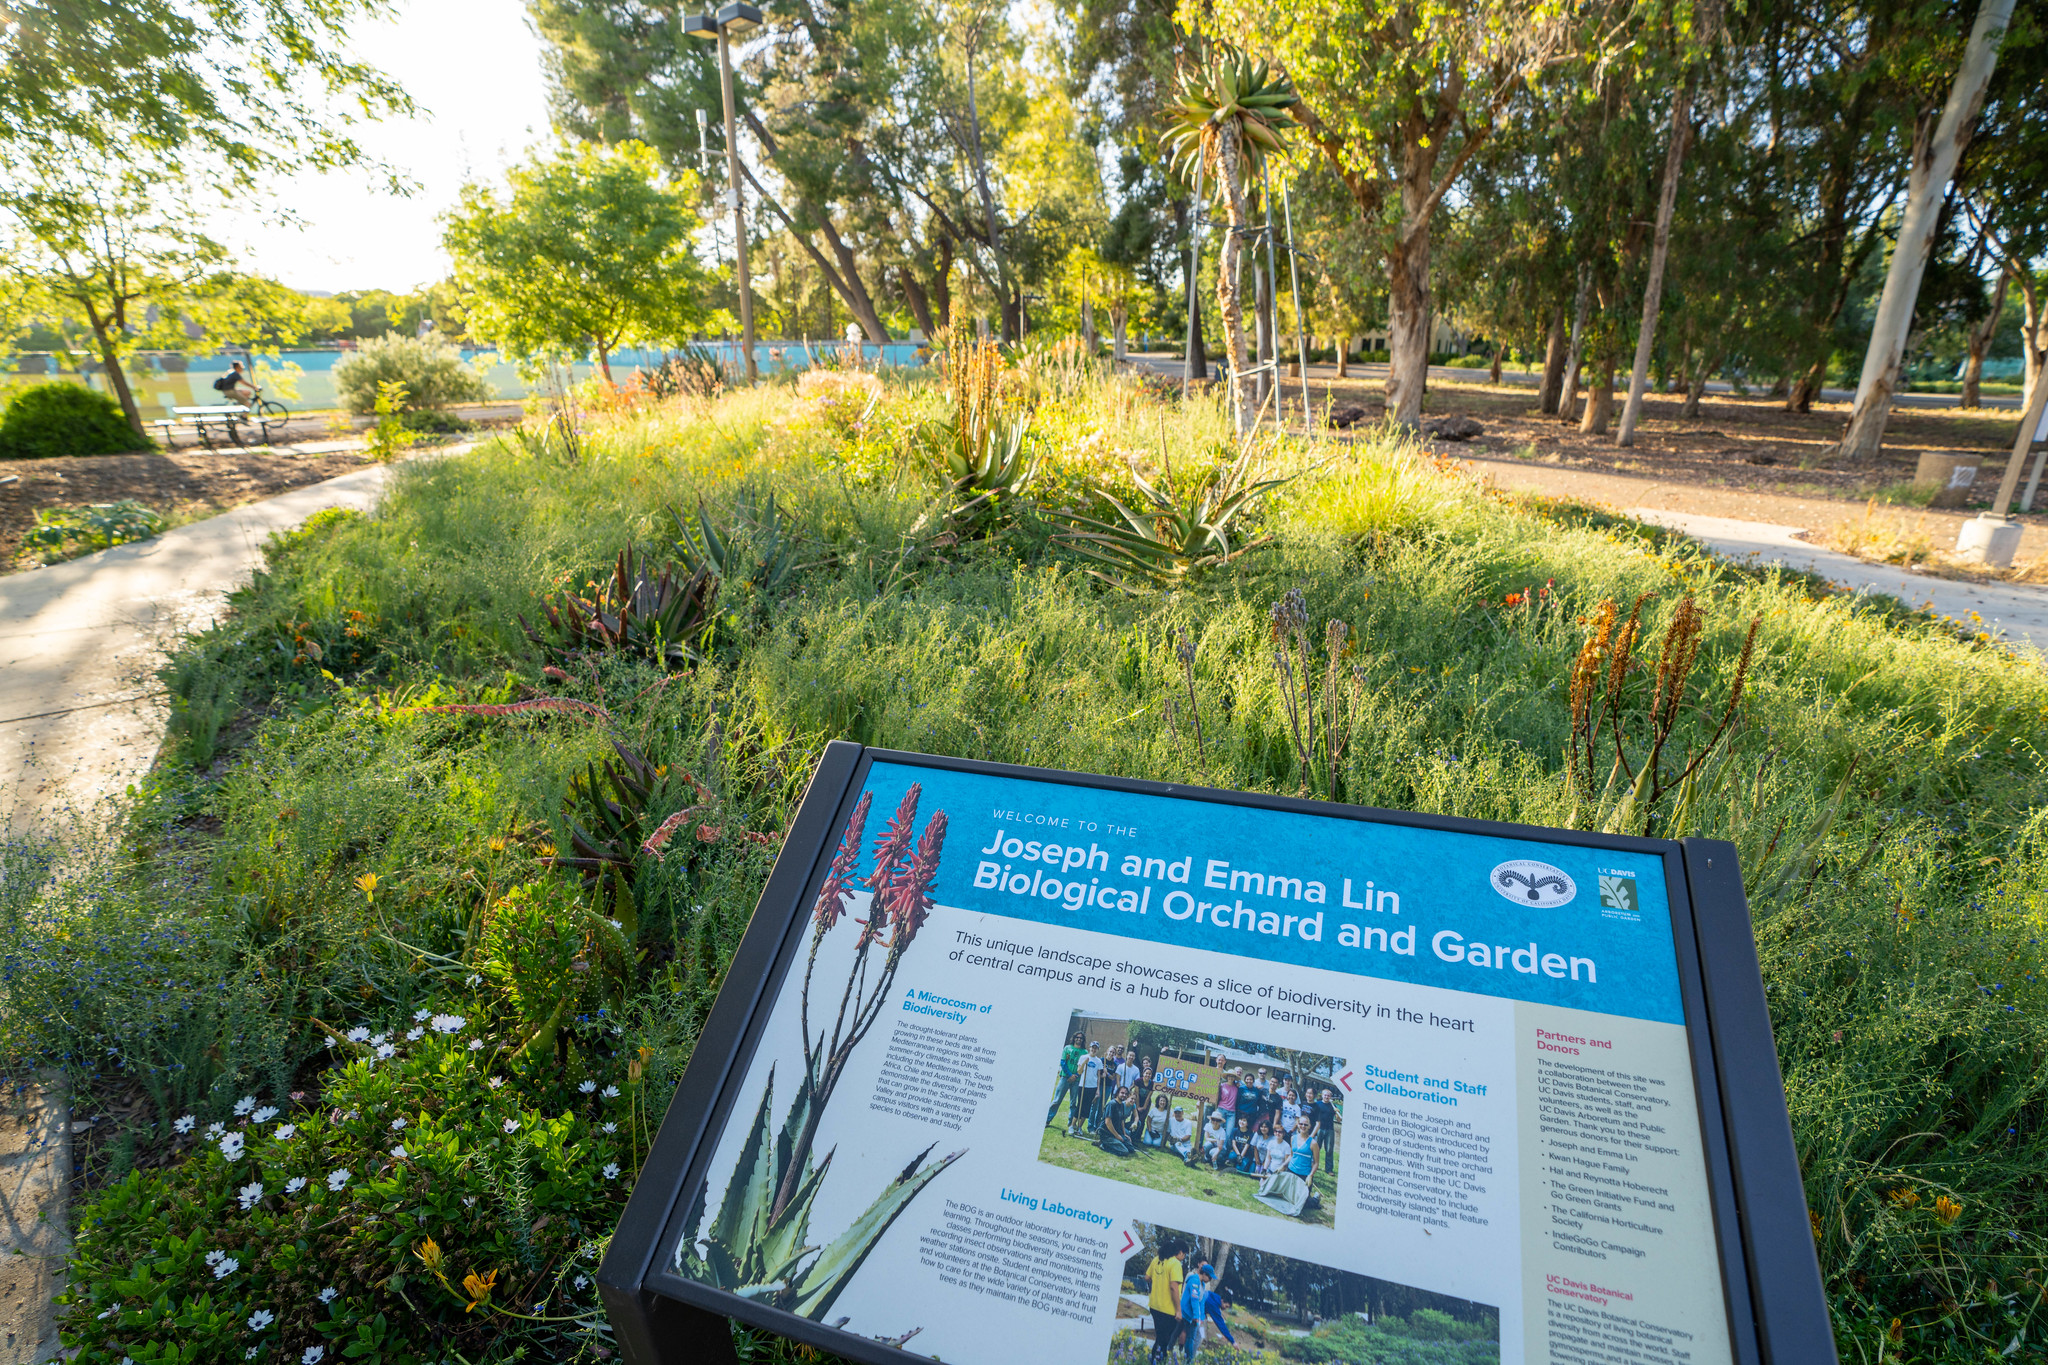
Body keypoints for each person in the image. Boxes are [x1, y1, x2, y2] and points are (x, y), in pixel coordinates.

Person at [1144, 1242, 1186, 1362]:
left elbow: (1147, 1277)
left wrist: (1158, 1279)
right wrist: (1178, 1310)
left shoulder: (1156, 1259)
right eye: (1184, 1255)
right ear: (1179, 1253)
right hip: (1167, 1309)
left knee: (1160, 1337)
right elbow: (1173, 1287)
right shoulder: (1175, 1264)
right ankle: (1158, 1361)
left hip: (1154, 1305)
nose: (1183, 1258)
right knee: (1164, 1341)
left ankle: (1155, 1360)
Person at [1047, 1031, 1085, 1130]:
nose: (1079, 1039)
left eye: (1081, 1038)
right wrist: (1070, 1075)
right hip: (1065, 1078)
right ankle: (1047, 1119)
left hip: (1076, 1080)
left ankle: (1071, 1124)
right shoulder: (1067, 1048)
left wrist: (1075, 1075)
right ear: (1074, 1038)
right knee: (1056, 1100)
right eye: (1077, 1037)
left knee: (1073, 1103)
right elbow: (1063, 1062)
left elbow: (1083, 1067)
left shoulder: (1085, 1052)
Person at [1074, 1042, 1105, 1137]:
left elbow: (1098, 1076)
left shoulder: (1099, 1061)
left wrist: (1098, 1090)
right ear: (1089, 1047)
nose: (1094, 1049)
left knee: (1087, 1108)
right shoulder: (1083, 1057)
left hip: (1092, 1087)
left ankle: (1079, 1127)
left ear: (1098, 1049)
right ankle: (1072, 1125)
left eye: (1096, 1048)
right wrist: (1084, 1063)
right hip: (1083, 1085)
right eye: (1092, 1047)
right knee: (1080, 1105)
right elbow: (1079, 1071)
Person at [1099, 1086, 1138, 1156]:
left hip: (1117, 1132)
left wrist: (1124, 1134)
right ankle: (1103, 1145)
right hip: (1106, 1134)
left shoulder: (1122, 1105)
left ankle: (1114, 1143)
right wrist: (1117, 1136)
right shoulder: (1111, 1104)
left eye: (1126, 1094)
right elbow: (1107, 1122)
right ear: (1117, 1093)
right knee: (1124, 1152)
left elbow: (1122, 1120)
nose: (1124, 1095)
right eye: (1122, 1093)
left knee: (1131, 1149)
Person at [1213, 1068, 1239, 1160]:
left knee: (1229, 1134)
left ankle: (1224, 1154)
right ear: (1227, 1077)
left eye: (1233, 1077)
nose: (1231, 1078)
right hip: (1221, 1109)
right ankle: (1214, 1150)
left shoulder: (1237, 1088)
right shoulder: (1222, 1086)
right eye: (1229, 1076)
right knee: (1218, 1131)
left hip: (1231, 1112)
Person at [1313, 1088, 1339, 1173]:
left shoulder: (1333, 1106)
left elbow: (1339, 1120)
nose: (1326, 1097)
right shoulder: (1317, 1104)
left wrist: (1337, 1112)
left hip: (1329, 1130)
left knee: (1329, 1150)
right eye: (1325, 1095)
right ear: (1322, 1095)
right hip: (1319, 1129)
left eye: (1328, 1095)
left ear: (1330, 1097)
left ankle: (1329, 1169)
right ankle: (1313, 1166)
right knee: (1316, 1148)